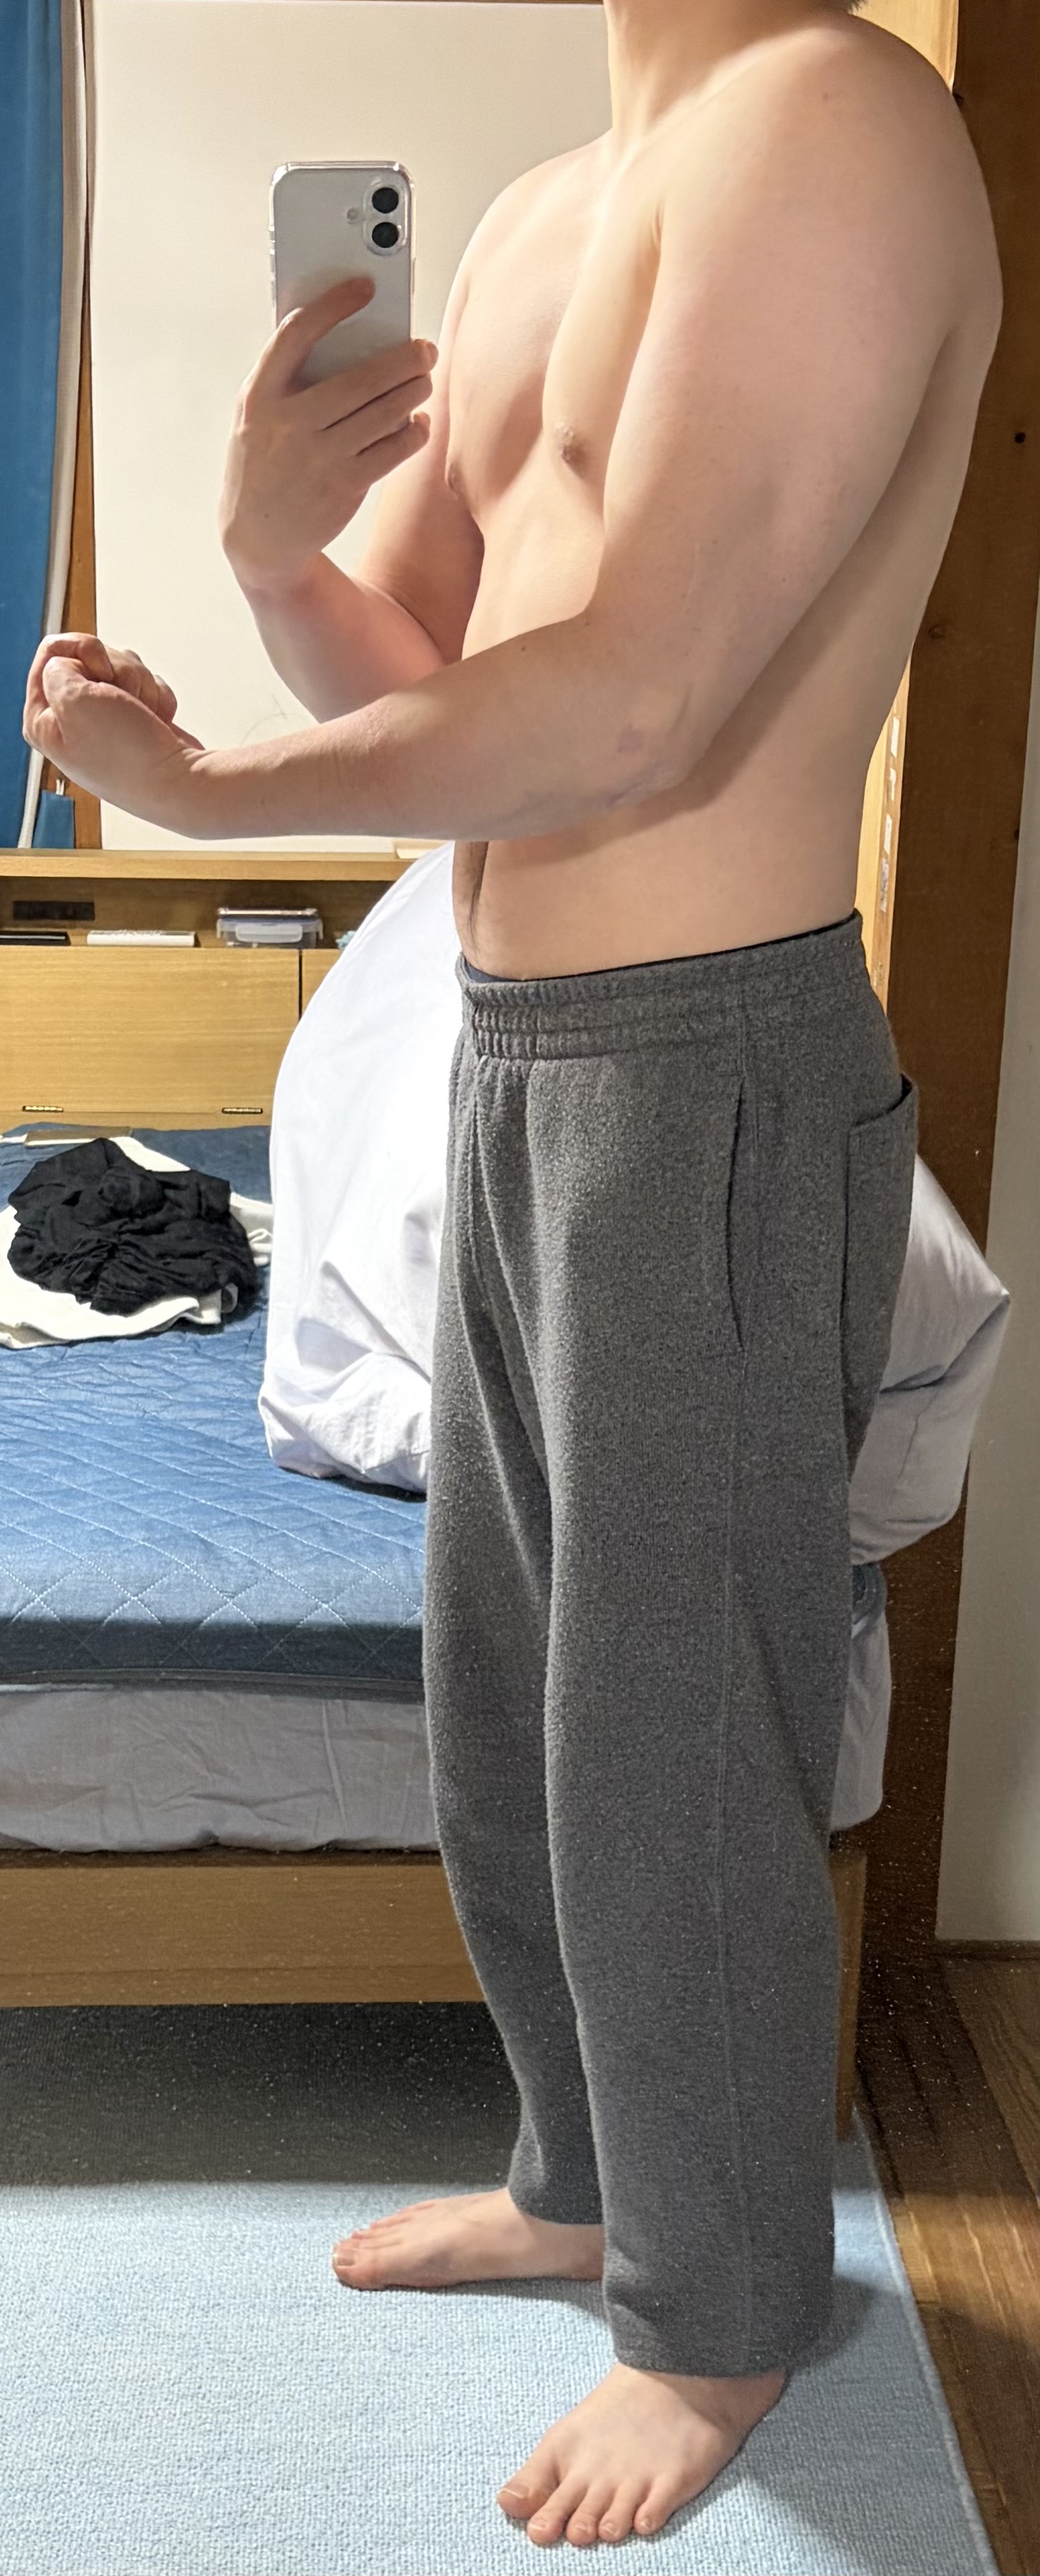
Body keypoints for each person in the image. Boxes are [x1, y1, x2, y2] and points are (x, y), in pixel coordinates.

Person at [23, 0, 1002, 2545]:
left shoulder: (833, 122)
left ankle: (720, 2306)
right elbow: (444, 683)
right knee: (516, 1703)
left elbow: (632, 706)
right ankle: (585, 2182)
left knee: (674, 1726)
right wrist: (270, 555)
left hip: (709, 1058)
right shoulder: (557, 204)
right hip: (515, 1048)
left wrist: (202, 794)